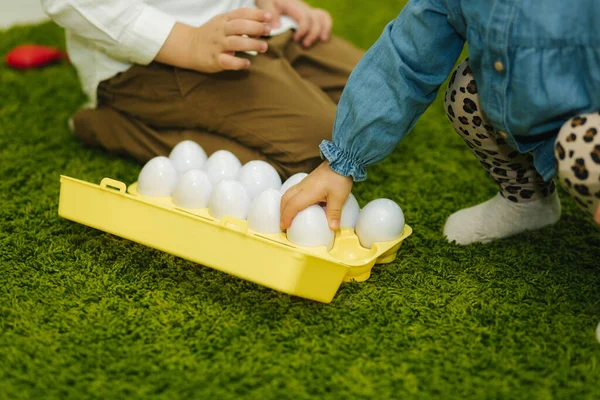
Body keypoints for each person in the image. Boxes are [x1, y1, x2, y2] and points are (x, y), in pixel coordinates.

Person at [280, 0, 600, 245]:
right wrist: (342, 160)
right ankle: (529, 199)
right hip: (537, 112)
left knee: (583, 146)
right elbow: (405, 59)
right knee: (468, 90)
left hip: (590, 130)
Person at [41, 0, 364, 178]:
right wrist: (187, 41)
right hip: (154, 59)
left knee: (374, 99)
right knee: (324, 149)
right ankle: (111, 125)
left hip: (250, 21)